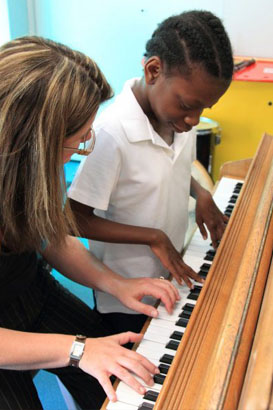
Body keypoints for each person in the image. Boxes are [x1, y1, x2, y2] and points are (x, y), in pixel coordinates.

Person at [0, 36, 180, 410]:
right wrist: (77, 349)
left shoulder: (23, 169)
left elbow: (51, 236)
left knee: (122, 375)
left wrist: (116, 283)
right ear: (34, 141)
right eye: (79, 140)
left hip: (28, 289)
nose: (85, 146)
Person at [68, 10, 234, 335]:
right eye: (188, 105)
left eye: (204, 109)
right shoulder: (110, 134)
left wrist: (199, 193)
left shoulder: (176, 122)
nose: (194, 120)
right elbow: (73, 218)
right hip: (127, 294)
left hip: (170, 278)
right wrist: (152, 237)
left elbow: (164, 169)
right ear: (154, 70)